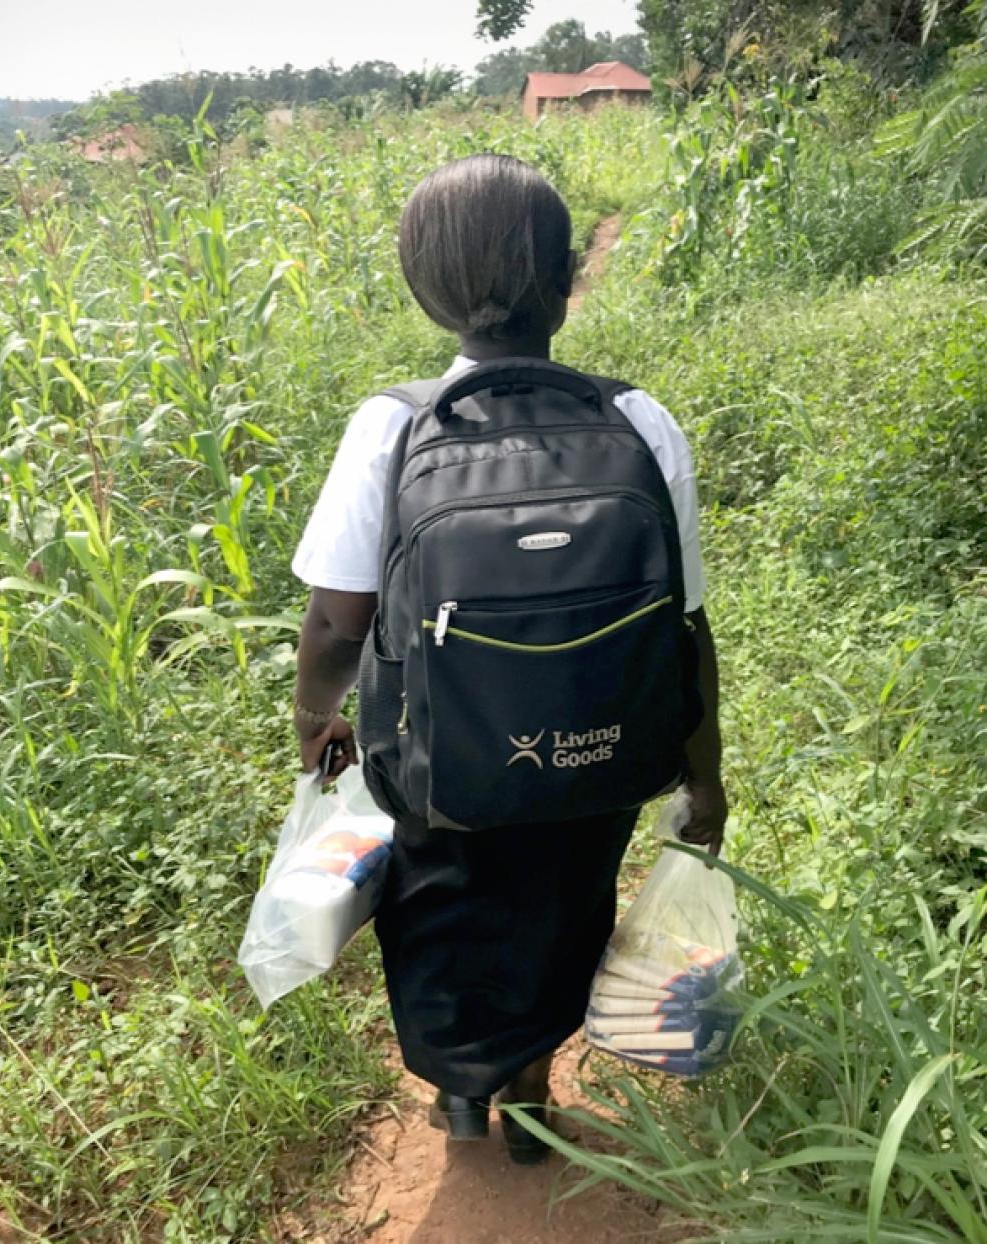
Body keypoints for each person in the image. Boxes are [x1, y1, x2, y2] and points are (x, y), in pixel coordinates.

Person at [290, 154, 726, 1164]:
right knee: (568, 906)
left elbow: (335, 621)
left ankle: (460, 1091)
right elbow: (685, 624)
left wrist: (318, 722)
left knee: (442, 910)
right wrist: (702, 771)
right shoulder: (636, 420)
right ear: (569, 277)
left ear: (425, 286)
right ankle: (533, 1094)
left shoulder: (393, 427)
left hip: (443, 762)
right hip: (600, 754)